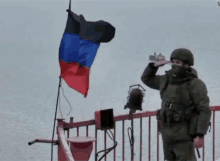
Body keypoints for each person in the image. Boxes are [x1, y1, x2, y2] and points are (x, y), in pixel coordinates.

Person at [141, 48, 211, 161]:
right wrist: (154, 66)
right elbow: (146, 79)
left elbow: (204, 109)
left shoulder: (195, 84)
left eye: (178, 62)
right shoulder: (166, 80)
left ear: (187, 64)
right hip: (167, 134)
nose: (174, 65)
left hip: (184, 136)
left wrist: (200, 134)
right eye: (172, 61)